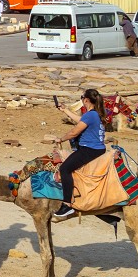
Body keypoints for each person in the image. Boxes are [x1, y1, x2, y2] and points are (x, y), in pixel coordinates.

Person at [53, 89, 107, 220]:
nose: (82, 99)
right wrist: (65, 110)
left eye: (82, 97)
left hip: (90, 149)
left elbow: (74, 132)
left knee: (65, 169)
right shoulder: (94, 114)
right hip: (97, 148)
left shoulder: (90, 115)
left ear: (86, 100)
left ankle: (67, 205)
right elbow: (80, 120)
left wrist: (60, 139)